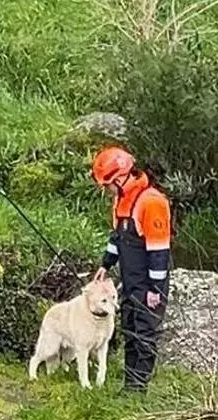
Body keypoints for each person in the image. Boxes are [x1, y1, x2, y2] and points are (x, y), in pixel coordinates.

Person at [91, 146, 172, 392]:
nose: (106, 191)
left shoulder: (151, 202)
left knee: (145, 334)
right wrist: (106, 264)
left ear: (121, 177)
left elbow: (159, 251)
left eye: (108, 185)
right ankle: (129, 385)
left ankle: (138, 388)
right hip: (129, 280)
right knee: (130, 329)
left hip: (149, 283)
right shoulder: (121, 201)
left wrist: (155, 290)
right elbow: (118, 238)